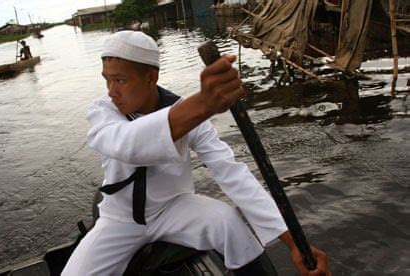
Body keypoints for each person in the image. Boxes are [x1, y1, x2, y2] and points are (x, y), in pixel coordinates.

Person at [62, 30, 330, 275]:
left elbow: (231, 173)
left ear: (151, 77)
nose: (112, 91)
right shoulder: (102, 111)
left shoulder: (189, 116)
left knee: (229, 223)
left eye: (120, 80)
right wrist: (203, 103)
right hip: (120, 218)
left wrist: (294, 242)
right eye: (107, 80)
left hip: (174, 207)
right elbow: (127, 144)